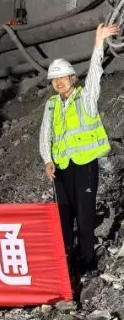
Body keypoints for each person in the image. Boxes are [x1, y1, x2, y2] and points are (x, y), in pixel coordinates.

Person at [41, 24, 120, 279]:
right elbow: (45, 134)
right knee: (64, 217)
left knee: (85, 218)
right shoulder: (51, 105)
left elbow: (95, 74)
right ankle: (66, 263)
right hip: (61, 168)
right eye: (55, 79)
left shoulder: (85, 98)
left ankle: (88, 263)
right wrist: (47, 160)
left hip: (84, 166)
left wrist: (98, 44)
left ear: (72, 78)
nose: (59, 82)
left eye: (63, 77)